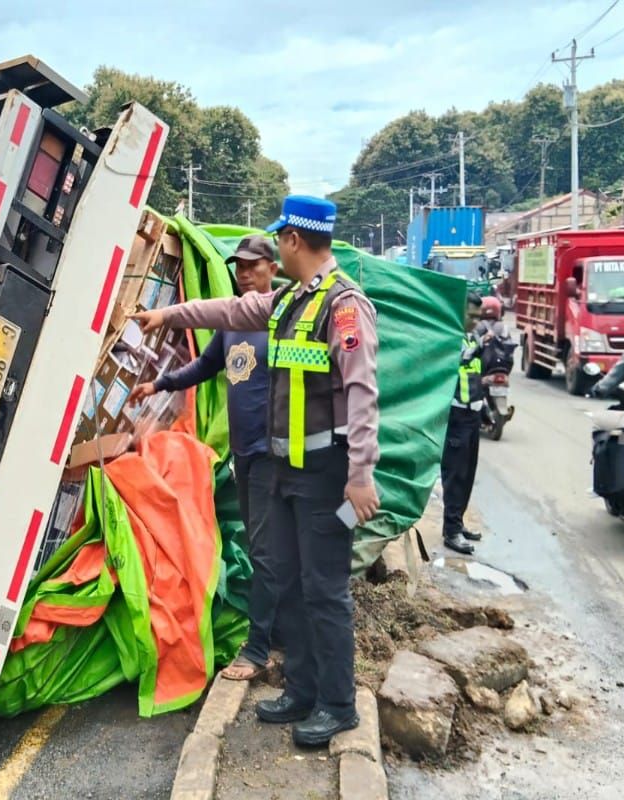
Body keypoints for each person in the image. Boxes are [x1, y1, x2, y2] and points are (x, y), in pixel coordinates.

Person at [133, 195, 381, 747]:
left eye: (277, 242)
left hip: (324, 471)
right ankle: (301, 689)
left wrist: (361, 474)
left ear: (293, 241)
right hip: (286, 470)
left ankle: (338, 705)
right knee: (290, 582)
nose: (266, 258)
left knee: (326, 590)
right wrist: (167, 314)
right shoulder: (290, 300)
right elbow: (224, 312)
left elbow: (363, 391)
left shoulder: (343, 307)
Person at [128, 235, 279, 682]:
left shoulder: (280, 317)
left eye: (253, 266)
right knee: (259, 547)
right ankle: (276, 635)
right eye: (240, 267)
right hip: (245, 454)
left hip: (275, 456)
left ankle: (258, 650)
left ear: (273, 267)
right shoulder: (233, 322)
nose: (245, 274)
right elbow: (206, 366)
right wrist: (158, 385)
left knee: (269, 550)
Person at [440, 328, 484, 555]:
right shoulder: (451, 338)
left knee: (467, 475)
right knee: (455, 475)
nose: (476, 320)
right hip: (456, 416)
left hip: (473, 414)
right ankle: (451, 530)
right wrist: (466, 353)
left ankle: (458, 523)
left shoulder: (473, 336)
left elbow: (477, 374)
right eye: (473, 314)